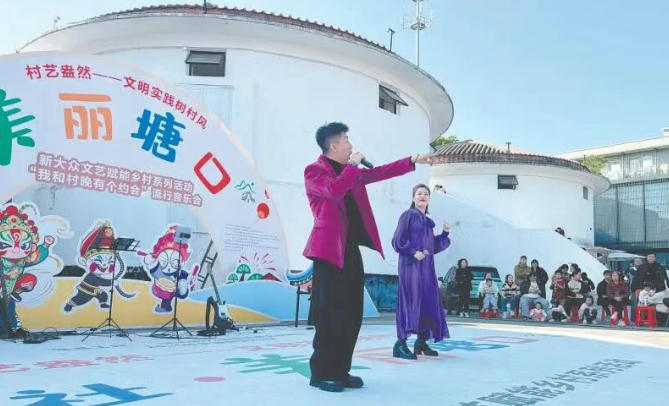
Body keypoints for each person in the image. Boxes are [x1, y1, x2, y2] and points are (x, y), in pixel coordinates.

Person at [303, 122, 432, 392]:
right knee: (329, 315)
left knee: (352, 313)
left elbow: (380, 172)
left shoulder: (351, 173)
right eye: (346, 140)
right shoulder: (314, 171)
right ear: (334, 145)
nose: (351, 145)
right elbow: (334, 191)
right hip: (328, 253)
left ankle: (341, 370)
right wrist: (352, 166)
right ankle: (322, 374)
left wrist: (412, 160)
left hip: (350, 251)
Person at [392, 184, 451, 360]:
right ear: (413, 198)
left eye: (426, 194)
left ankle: (421, 341)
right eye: (419, 193)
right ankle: (400, 344)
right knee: (410, 301)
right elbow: (397, 240)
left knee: (427, 301)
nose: (423, 196)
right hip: (410, 267)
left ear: (429, 199)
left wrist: (445, 234)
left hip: (427, 269)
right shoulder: (408, 216)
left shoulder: (427, 222)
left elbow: (432, 247)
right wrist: (413, 252)